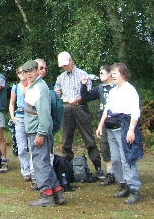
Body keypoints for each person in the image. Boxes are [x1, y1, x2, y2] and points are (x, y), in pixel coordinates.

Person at [96, 63, 144, 204]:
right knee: (115, 160)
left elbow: (135, 112)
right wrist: (100, 125)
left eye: (115, 73)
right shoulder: (113, 91)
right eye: (111, 73)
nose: (112, 75)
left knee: (127, 159)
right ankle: (124, 185)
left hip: (125, 128)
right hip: (111, 128)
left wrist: (131, 130)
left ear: (123, 74)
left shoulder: (130, 91)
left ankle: (134, 189)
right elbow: (107, 110)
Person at [23, 60, 66, 207]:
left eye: (31, 71)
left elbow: (45, 115)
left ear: (37, 71)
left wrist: (40, 134)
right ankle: (58, 194)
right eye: (25, 72)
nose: (28, 74)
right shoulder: (35, 86)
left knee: (40, 163)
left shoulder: (39, 88)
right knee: (45, 162)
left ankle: (46, 196)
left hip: (37, 131)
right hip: (36, 130)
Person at [54, 51, 103, 177]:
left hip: (80, 107)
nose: (64, 67)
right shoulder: (60, 78)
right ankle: (67, 169)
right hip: (66, 108)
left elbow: (88, 93)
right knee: (66, 140)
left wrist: (78, 99)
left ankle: (98, 167)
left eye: (66, 64)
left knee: (89, 139)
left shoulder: (83, 74)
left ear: (71, 61)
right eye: (62, 66)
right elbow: (57, 94)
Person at [81, 64, 116, 184]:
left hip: (118, 120)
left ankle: (123, 174)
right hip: (104, 121)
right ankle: (110, 174)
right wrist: (83, 85)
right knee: (105, 146)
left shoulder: (118, 87)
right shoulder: (100, 88)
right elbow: (85, 97)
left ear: (110, 73)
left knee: (118, 147)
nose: (99, 75)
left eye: (102, 73)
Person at [9, 66, 32, 181]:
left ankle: (33, 170)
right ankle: (25, 170)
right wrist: (12, 116)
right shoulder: (15, 87)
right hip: (19, 117)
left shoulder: (32, 85)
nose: (22, 73)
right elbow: (12, 103)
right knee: (22, 146)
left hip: (31, 117)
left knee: (32, 145)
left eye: (24, 71)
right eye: (20, 72)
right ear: (17, 74)